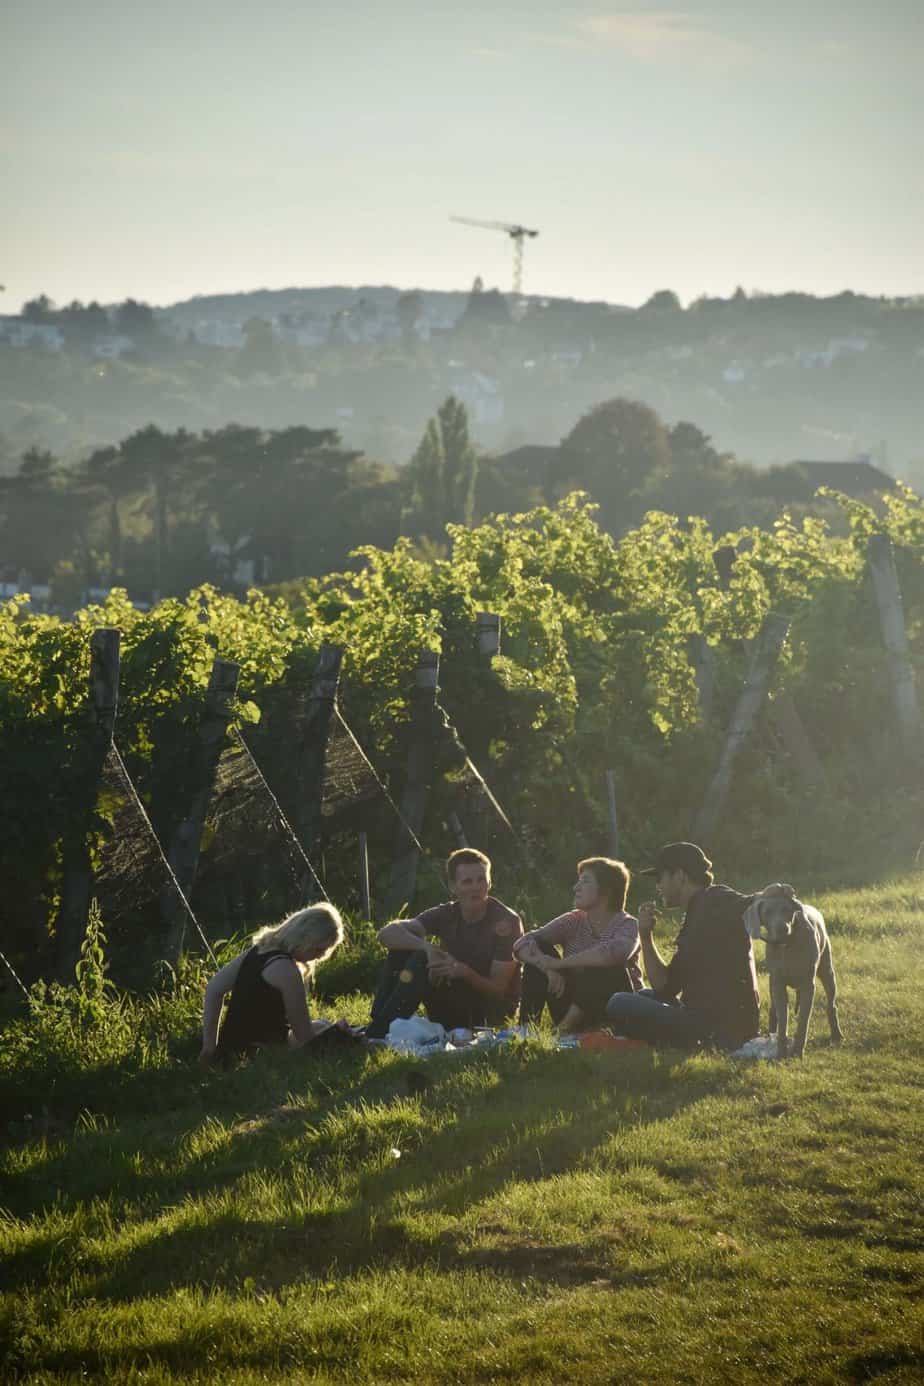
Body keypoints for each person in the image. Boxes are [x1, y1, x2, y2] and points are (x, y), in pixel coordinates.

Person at [606, 842, 759, 1051]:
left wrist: (772, 893)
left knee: (618, 1002)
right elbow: (665, 988)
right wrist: (645, 934)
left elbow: (752, 902)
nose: (657, 886)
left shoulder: (716, 899)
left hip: (716, 1028)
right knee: (640, 995)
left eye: (660, 878)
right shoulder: (696, 911)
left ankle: (649, 1041)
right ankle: (646, 1040)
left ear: (680, 876)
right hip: (705, 1018)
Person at [366, 847, 523, 1038]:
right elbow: (386, 935)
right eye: (467, 881)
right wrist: (427, 947)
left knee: (422, 958)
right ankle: (379, 1023)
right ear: (453, 886)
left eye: (481, 879)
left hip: (488, 1011)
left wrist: (464, 972)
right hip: (452, 998)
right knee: (403, 949)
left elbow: (499, 990)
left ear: (490, 882)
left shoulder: (506, 921)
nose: (476, 887)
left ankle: (377, 1033)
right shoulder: (447, 913)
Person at [198, 902, 346, 1067]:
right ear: (306, 939)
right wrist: (338, 1034)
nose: (321, 956)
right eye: (319, 949)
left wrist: (209, 1048)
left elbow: (213, 989)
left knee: (322, 1024)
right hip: (259, 1055)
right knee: (332, 1033)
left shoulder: (258, 951)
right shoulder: (287, 971)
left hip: (231, 1049)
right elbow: (305, 1038)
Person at [513, 857, 641, 1033]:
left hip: (612, 1011)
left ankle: (561, 1031)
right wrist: (547, 968)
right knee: (539, 948)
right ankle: (525, 1030)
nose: (576, 888)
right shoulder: (574, 919)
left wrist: (558, 964)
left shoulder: (627, 924)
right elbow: (522, 943)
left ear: (606, 891)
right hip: (570, 1004)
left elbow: (615, 953)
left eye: (585, 881)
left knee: (601, 965)